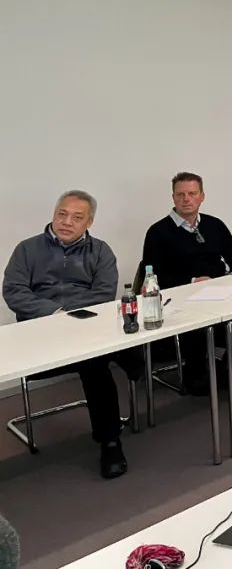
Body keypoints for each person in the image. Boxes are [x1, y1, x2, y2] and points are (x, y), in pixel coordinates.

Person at [3, 190, 138, 479]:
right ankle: (126, 355)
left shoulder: (100, 251)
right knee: (104, 356)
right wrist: (54, 312)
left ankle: (110, 441)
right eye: (62, 214)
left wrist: (70, 315)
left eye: (77, 217)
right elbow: (14, 291)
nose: (66, 222)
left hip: (84, 329)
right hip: (40, 332)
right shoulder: (27, 249)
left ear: (89, 222)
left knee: (94, 363)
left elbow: (104, 293)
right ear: (53, 214)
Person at [141, 172, 232, 393]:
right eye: (180, 194)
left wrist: (227, 277)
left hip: (220, 290)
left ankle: (228, 365)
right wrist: (192, 281)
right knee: (197, 317)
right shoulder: (158, 232)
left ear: (202, 196)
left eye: (192, 193)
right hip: (182, 296)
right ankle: (196, 376)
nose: (186, 199)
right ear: (173, 198)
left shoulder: (214, 225)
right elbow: (153, 274)